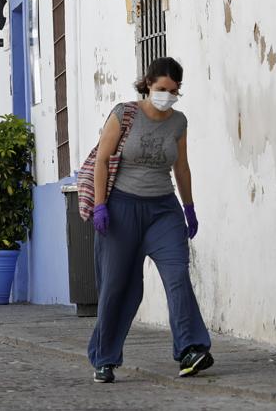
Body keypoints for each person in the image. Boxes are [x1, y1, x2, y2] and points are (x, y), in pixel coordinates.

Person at [87, 57, 213, 383]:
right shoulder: (124, 114)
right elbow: (102, 161)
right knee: (119, 287)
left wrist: (189, 207)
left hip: (163, 211)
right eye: (161, 89)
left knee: (177, 275)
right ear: (148, 84)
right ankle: (105, 358)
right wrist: (101, 206)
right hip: (122, 210)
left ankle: (190, 348)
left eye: (174, 91)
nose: (167, 96)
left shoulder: (178, 122)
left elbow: (181, 167)